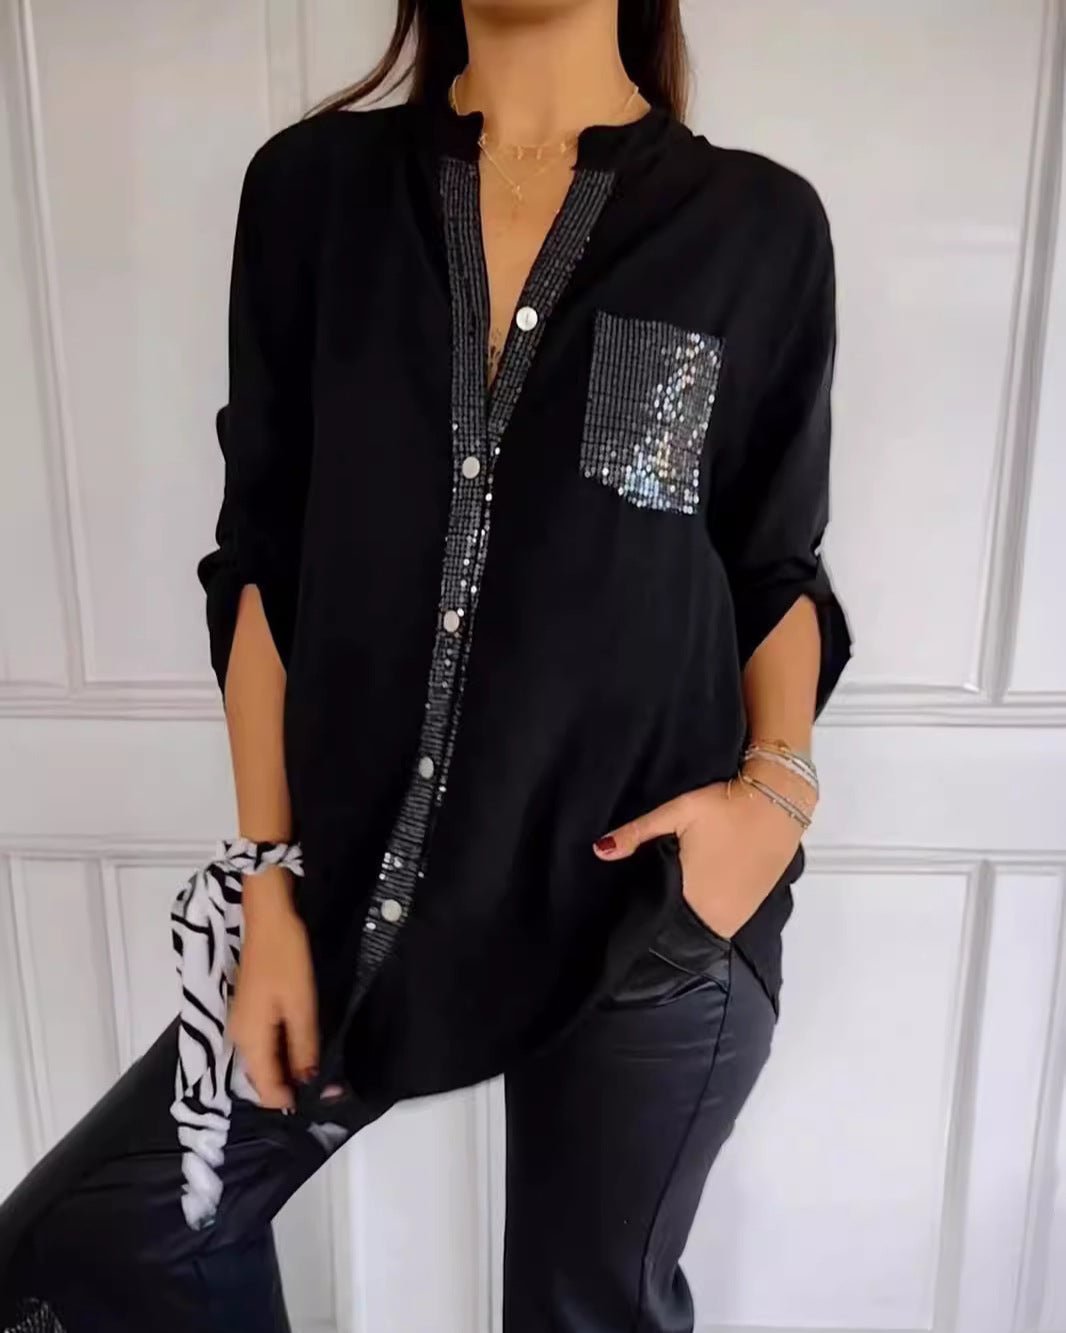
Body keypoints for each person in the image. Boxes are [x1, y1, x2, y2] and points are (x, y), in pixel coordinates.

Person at [0, 0, 851, 1329]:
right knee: (110, 1234)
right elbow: (261, 561)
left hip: (650, 898)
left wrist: (773, 796)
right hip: (358, 899)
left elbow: (771, 564)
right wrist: (268, 877)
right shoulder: (313, 195)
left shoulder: (752, 224)